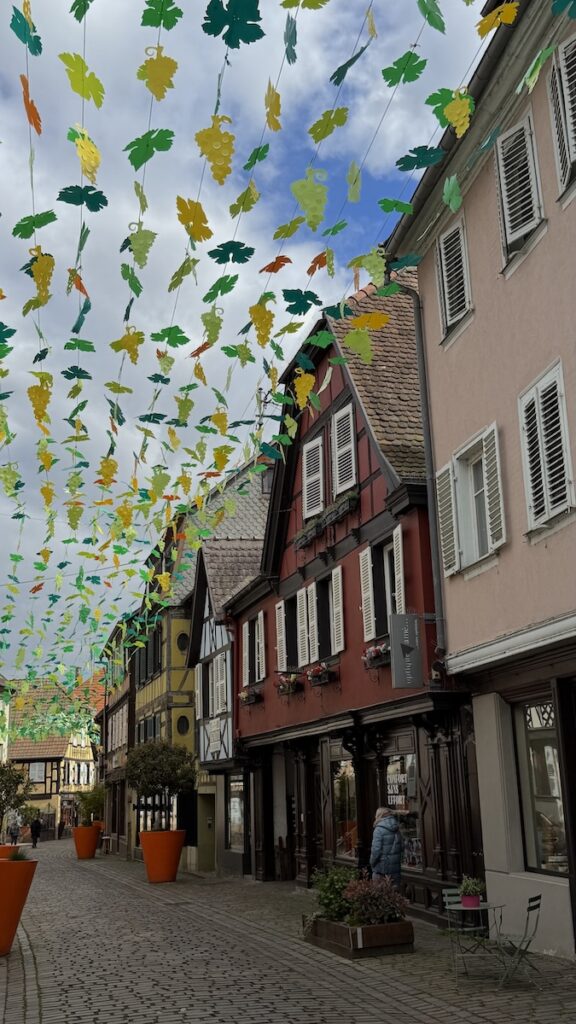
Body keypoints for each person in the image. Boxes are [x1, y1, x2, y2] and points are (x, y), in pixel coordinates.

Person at [370, 806, 402, 889]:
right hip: (395, 868)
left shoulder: (378, 829)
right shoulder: (396, 827)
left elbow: (376, 851)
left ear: (379, 815)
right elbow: (401, 847)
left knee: (380, 893)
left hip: (381, 869)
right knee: (394, 892)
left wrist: (372, 863)